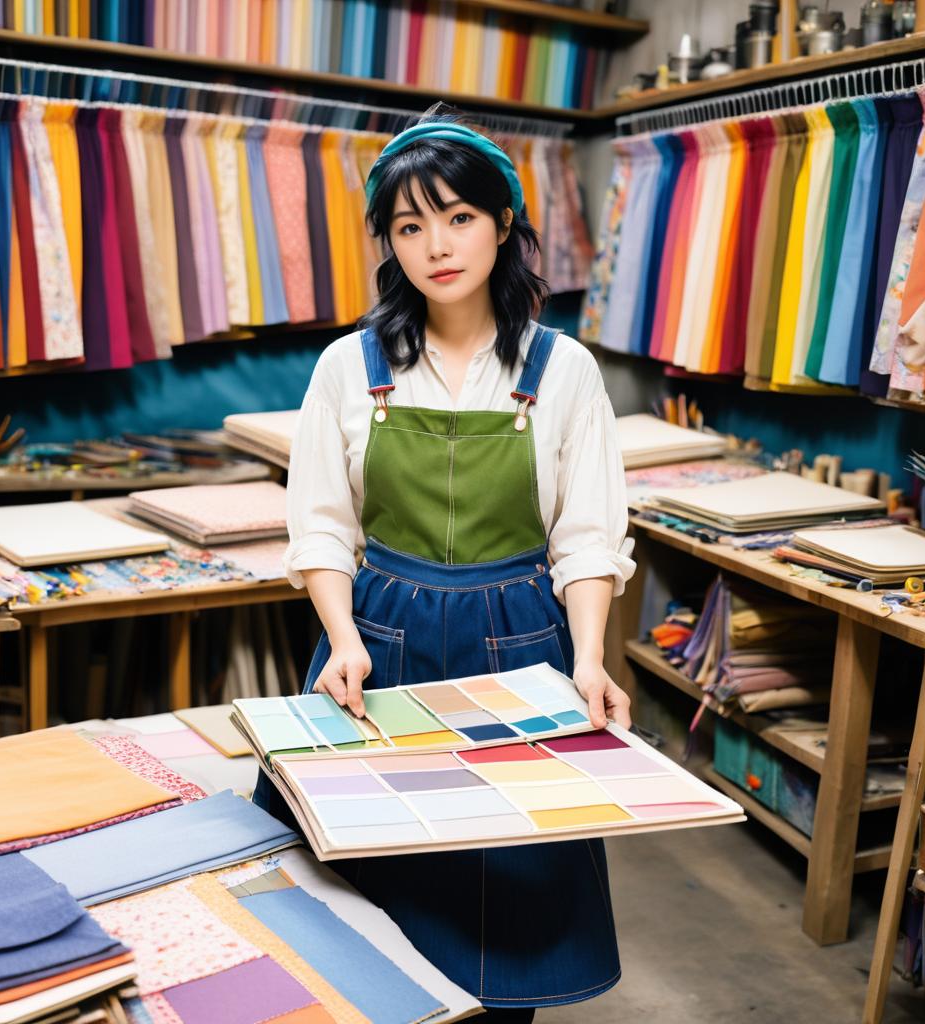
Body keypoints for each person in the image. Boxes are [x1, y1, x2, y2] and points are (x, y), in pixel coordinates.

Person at [279, 103, 636, 1019]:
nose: (436, 244)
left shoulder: (563, 371)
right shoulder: (346, 368)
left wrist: (588, 658)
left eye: (458, 216)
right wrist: (342, 637)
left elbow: (587, 538)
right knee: (369, 903)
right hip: (381, 644)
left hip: (521, 644)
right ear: (389, 243)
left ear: (503, 222)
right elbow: (321, 528)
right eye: (409, 225)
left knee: (503, 902)